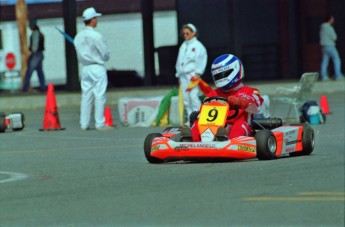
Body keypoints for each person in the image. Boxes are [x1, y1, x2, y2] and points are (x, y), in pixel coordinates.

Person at [186, 54, 264, 141]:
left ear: (235, 70)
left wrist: (240, 102)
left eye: (224, 74)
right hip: (212, 127)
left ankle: (224, 140)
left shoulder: (250, 91)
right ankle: (189, 141)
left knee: (239, 126)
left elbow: (256, 107)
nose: (221, 78)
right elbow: (203, 112)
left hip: (240, 127)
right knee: (197, 123)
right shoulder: (213, 93)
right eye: (218, 76)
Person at [74, 7, 113, 131]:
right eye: (96, 18)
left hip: (85, 68)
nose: (97, 20)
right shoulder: (96, 36)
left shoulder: (78, 36)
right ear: (92, 20)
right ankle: (99, 123)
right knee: (99, 95)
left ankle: (84, 124)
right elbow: (105, 54)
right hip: (97, 67)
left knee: (86, 96)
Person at [175, 23, 208, 125]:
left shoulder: (198, 46)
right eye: (184, 34)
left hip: (192, 75)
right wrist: (178, 74)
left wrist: (198, 72)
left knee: (193, 97)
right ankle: (190, 120)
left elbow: (201, 60)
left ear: (194, 33)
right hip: (183, 75)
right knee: (186, 98)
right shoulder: (183, 45)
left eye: (187, 33)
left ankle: (199, 118)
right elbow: (179, 61)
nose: (185, 35)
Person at [22, 19, 46, 92]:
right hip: (40, 54)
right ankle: (43, 87)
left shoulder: (35, 34)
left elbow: (34, 46)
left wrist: (31, 53)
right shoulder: (40, 33)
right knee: (40, 72)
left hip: (36, 55)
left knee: (29, 72)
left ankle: (26, 88)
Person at [319, 14, 344, 81]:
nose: (333, 20)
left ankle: (324, 76)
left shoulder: (322, 27)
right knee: (337, 59)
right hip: (330, 45)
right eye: (332, 19)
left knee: (325, 61)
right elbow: (334, 37)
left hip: (324, 46)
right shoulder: (329, 28)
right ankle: (338, 75)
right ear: (329, 20)